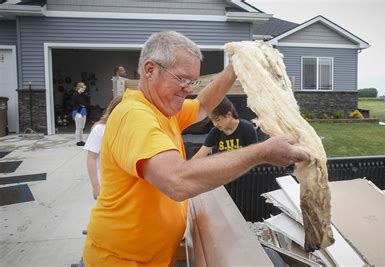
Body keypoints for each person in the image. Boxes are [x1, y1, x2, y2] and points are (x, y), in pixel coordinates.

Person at [81, 31, 309, 266]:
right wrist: (262, 152)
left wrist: (234, 68)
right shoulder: (135, 116)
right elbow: (177, 181)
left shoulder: (164, 109)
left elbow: (202, 104)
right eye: (181, 79)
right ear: (149, 70)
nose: (188, 89)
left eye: (192, 81)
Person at [83, 96, 122, 199]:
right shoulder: (100, 129)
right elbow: (91, 158)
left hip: (124, 187)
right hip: (105, 185)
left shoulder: (130, 129)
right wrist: (96, 186)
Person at [193, 97, 257, 158]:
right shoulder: (215, 132)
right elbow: (199, 155)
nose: (214, 124)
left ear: (228, 115)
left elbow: (254, 154)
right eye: (212, 120)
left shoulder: (247, 128)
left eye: (217, 120)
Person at [72, 82, 88, 146]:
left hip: (83, 112)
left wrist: (83, 104)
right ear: (79, 87)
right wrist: (82, 104)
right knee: (78, 127)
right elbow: (81, 102)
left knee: (82, 127)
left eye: (84, 88)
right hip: (78, 112)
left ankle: (81, 140)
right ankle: (78, 141)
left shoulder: (82, 95)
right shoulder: (75, 95)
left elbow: (85, 103)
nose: (84, 89)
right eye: (83, 88)